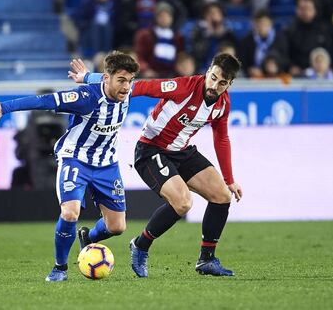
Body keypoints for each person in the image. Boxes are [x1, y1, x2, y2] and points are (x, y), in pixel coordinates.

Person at [70, 52, 243, 277]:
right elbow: (139, 87)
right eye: (213, 77)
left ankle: (206, 260)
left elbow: (221, 138)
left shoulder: (223, 104)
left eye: (222, 83)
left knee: (222, 196)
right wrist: (88, 77)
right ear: (208, 71)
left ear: (229, 84)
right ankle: (140, 245)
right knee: (182, 203)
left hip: (182, 152)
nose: (214, 85)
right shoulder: (183, 86)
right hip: (151, 149)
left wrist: (229, 179)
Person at [0, 51, 140, 282]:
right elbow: (45, 101)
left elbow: (124, 81)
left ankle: (88, 238)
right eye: (121, 81)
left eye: (130, 81)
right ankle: (60, 268)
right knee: (70, 212)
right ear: (106, 78)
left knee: (117, 227)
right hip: (75, 160)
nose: (127, 87)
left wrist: (88, 75)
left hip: (107, 165)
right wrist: (4, 106)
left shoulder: (127, 92)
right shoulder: (86, 97)